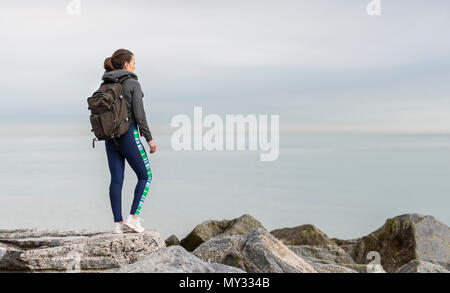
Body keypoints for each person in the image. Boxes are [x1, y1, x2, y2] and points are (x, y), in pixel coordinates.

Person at [102, 49, 156, 233]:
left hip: (110, 138)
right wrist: (149, 139)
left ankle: (118, 225)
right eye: (133, 63)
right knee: (146, 176)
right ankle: (133, 218)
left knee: (116, 179)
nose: (134, 66)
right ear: (126, 65)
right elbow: (140, 116)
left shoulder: (105, 84)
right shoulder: (133, 83)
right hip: (128, 135)